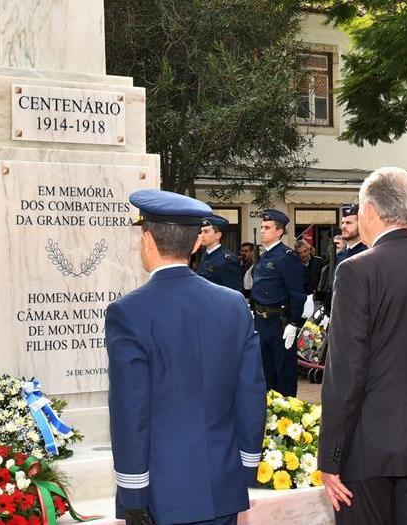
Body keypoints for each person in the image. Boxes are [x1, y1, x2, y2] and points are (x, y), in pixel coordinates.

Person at [107, 190, 265, 525]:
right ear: (195, 244)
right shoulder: (234, 304)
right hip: (221, 485)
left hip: (163, 495)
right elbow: (251, 392)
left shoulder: (128, 312)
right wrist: (246, 467)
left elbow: (130, 410)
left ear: (147, 239)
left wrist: (133, 494)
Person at [320, 167, 407, 525]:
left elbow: (345, 373)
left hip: (366, 451)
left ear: (368, 210)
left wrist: (331, 458)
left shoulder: (355, 271)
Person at [250, 209, 305, 396]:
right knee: (265, 372)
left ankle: (286, 415)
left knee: (284, 373)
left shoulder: (287, 257)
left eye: (267, 227)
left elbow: (297, 293)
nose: (262, 230)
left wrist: (293, 323)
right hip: (261, 320)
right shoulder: (264, 256)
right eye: (262, 227)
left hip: (279, 322)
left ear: (279, 231)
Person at [196, 215, 244, 293]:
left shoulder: (227, 260)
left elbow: (233, 292)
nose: (201, 235)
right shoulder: (206, 255)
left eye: (206, 232)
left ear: (218, 235)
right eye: (201, 232)